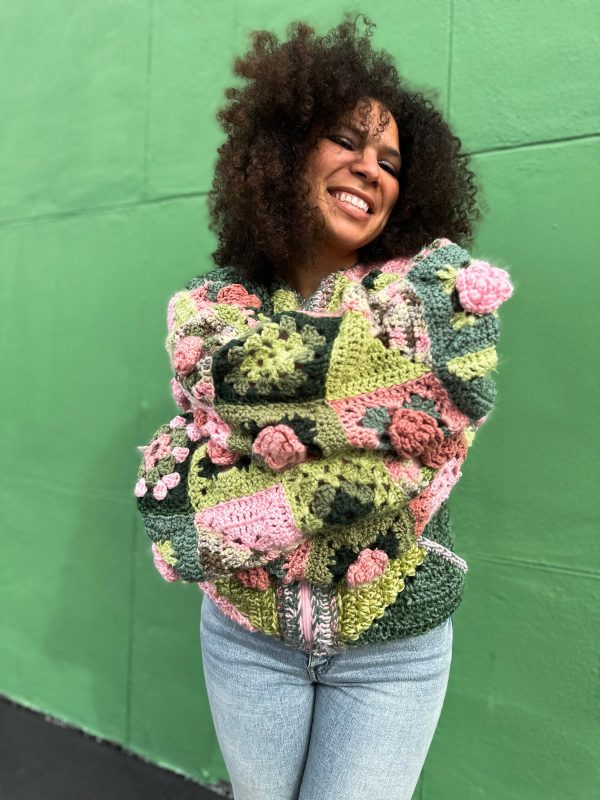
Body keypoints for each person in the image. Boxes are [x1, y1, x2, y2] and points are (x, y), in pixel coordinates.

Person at [135, 14, 513, 800]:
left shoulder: (444, 307)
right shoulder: (209, 317)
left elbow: (447, 409)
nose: (370, 168)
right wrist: (364, 436)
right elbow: (182, 509)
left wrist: (252, 464)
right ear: (283, 152)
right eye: (346, 140)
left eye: (391, 161)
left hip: (395, 647)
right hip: (246, 637)